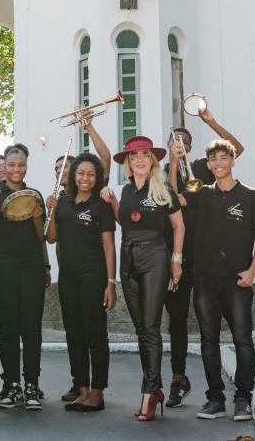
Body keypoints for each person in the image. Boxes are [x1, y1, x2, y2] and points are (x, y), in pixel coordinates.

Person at [182, 112, 255, 423]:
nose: (218, 164)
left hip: (237, 279)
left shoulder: (249, 196)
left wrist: (252, 270)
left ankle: (243, 398)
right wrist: (176, 157)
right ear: (207, 165)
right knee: (208, 340)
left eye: (223, 158)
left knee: (243, 340)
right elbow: (173, 198)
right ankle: (215, 398)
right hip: (204, 279)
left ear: (232, 160)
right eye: (213, 160)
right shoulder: (201, 194)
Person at [104, 135, 183, 421]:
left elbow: (179, 226)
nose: (139, 160)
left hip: (155, 257)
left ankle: (149, 395)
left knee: (150, 327)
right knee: (141, 329)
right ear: (128, 162)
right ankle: (156, 387)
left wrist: (176, 261)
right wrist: (112, 202)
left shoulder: (163, 189)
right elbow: (124, 221)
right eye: (134, 156)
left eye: (145, 155)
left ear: (152, 161)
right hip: (128, 258)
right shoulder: (125, 191)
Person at [0, 146, 46, 410]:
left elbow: (42, 237)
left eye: (21, 165)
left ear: (26, 166)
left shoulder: (33, 195)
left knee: (31, 327)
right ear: (4, 167)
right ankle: (11, 385)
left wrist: (39, 216)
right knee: (8, 328)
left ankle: (31, 385)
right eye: (12, 165)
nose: (16, 169)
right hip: (2, 266)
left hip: (31, 265)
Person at [45, 153, 116, 413]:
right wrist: (51, 211)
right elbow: (51, 238)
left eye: (91, 174)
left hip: (94, 275)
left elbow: (109, 246)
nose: (85, 178)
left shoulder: (101, 205)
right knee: (74, 335)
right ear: (73, 175)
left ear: (96, 178)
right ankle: (82, 390)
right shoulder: (62, 202)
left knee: (95, 334)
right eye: (80, 173)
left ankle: (97, 393)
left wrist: (110, 283)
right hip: (68, 277)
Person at [162, 126, 207, 407]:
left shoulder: (201, 169)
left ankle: (246, 372)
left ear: (191, 147)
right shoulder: (159, 173)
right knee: (176, 321)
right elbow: (169, 198)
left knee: (211, 319)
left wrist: (208, 119)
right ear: (168, 146)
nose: (181, 145)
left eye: (186, 142)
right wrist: (174, 162)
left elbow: (237, 150)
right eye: (176, 142)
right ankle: (178, 378)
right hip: (173, 258)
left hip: (202, 256)